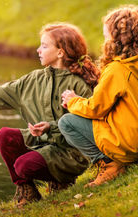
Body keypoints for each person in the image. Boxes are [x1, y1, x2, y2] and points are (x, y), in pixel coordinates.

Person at [0, 23, 100, 206]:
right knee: (4, 135)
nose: (38, 50)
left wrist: (49, 127)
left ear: (60, 52)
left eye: (44, 46)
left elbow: (87, 126)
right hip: (41, 143)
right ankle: (27, 191)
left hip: (70, 154)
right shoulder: (34, 79)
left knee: (23, 165)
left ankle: (62, 181)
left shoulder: (79, 86)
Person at [59, 6, 138, 188]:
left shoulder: (117, 69)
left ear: (116, 40)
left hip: (129, 146)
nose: (104, 42)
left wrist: (73, 100)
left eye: (106, 37)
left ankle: (111, 165)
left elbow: (96, 108)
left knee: (67, 123)